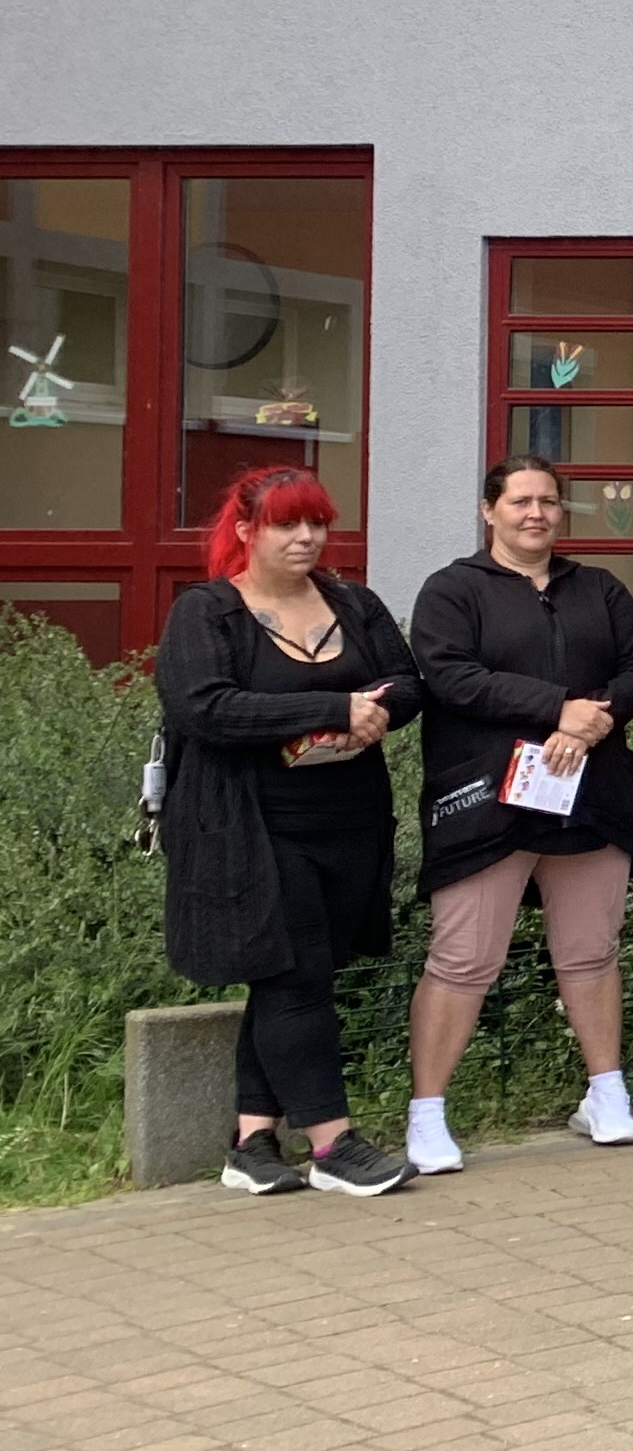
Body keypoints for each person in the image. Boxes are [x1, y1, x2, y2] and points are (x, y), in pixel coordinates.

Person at [160, 466, 422, 1198]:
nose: (306, 537)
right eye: (286, 523)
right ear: (246, 531)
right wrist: (333, 710)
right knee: (297, 976)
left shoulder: (354, 603)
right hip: (249, 830)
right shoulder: (207, 613)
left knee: (290, 979)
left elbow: (407, 684)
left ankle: (251, 1142)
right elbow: (205, 708)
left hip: (349, 822)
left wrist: (376, 712)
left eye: (316, 522)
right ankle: (333, 1145)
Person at [405, 455, 633, 1171]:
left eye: (548, 501)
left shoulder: (599, 588)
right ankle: (427, 1115)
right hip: (487, 801)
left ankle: (606, 1093)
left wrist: (587, 722)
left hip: (591, 792)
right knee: (464, 958)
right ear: (489, 510)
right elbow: (452, 676)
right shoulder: (452, 590)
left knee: (591, 951)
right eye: (520, 501)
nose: (536, 513)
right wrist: (555, 707)